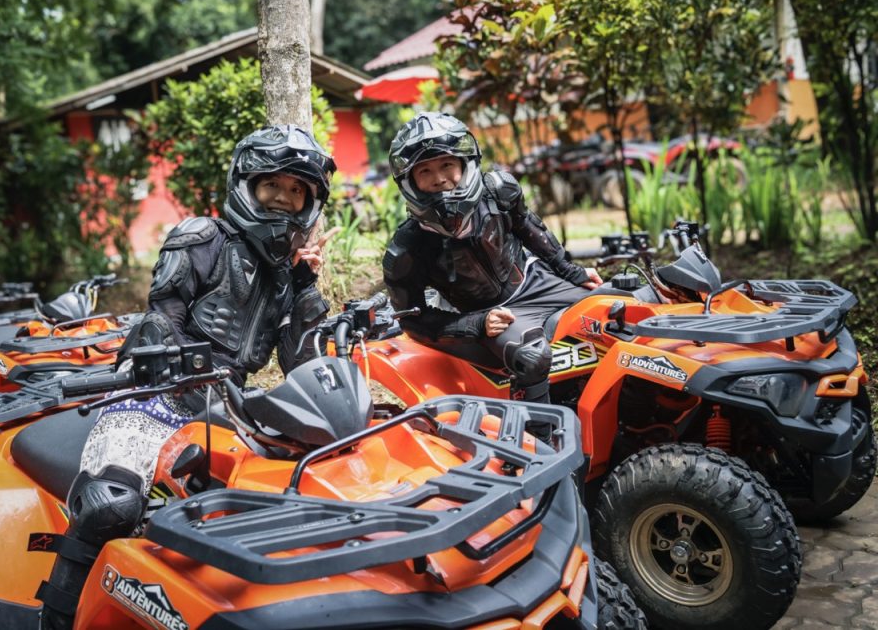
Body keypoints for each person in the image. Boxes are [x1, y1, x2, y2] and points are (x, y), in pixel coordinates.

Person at [37, 125, 336, 630]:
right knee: (109, 504)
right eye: (273, 186)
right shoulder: (202, 237)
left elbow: (298, 360)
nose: (284, 200)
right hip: (154, 395)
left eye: (296, 191)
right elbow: (162, 317)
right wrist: (173, 367)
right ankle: (57, 618)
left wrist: (305, 286)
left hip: (229, 405)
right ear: (247, 184)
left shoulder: (287, 270)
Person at [383, 112, 602, 404]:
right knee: (531, 357)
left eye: (446, 164)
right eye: (424, 171)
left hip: (538, 283)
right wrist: (475, 323)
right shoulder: (407, 247)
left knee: (618, 305)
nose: (439, 179)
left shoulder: (500, 191)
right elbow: (412, 319)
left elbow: (530, 229)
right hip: (494, 315)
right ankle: (542, 439)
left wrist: (572, 272)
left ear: (465, 163)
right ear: (409, 182)